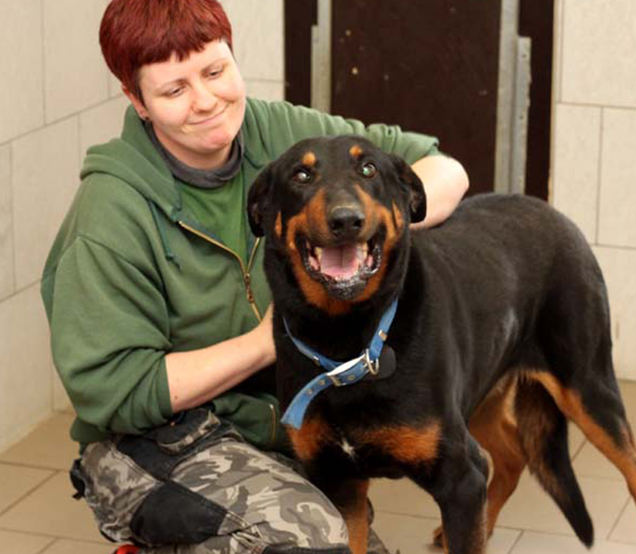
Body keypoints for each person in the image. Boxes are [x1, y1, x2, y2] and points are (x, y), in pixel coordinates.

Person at [40, 0, 469, 552]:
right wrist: (266, 342)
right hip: (152, 440)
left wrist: (371, 234)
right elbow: (114, 393)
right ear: (136, 100)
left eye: (216, 71)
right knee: (312, 544)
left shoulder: (283, 135)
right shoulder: (109, 213)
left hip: (271, 423)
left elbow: (442, 169)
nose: (206, 102)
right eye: (173, 91)